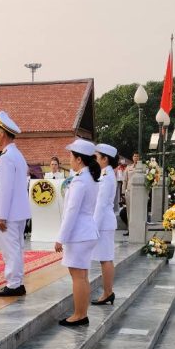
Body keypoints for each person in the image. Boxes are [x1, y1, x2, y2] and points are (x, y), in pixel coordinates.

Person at [55, 138, 100, 326]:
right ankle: (82, 313)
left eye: (71, 156)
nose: (70, 160)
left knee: (78, 277)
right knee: (82, 276)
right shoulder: (89, 178)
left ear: (79, 159)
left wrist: (61, 238)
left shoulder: (80, 181)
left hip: (79, 234)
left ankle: (79, 315)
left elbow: (71, 212)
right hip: (86, 231)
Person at [0, 110, 32, 297]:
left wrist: (1, 215)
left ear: (4, 134)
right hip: (18, 212)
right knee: (17, 248)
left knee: (11, 249)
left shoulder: (7, 157)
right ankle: (17, 282)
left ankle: (14, 284)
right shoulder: (17, 155)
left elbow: (5, 189)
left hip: (9, 213)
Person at [91, 142, 118, 305]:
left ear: (105, 159)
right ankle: (108, 292)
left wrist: (94, 227)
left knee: (105, 258)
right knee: (105, 258)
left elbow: (100, 205)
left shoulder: (107, 177)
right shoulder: (105, 174)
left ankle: (108, 293)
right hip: (105, 222)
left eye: (97, 157)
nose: (95, 159)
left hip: (104, 223)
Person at [121, 151, 140, 236]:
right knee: (129, 211)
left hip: (139, 193)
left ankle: (138, 230)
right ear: (132, 157)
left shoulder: (143, 167)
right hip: (129, 192)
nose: (136, 158)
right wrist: (123, 192)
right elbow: (125, 180)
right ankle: (130, 229)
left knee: (137, 211)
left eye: (137, 156)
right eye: (134, 156)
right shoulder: (128, 167)